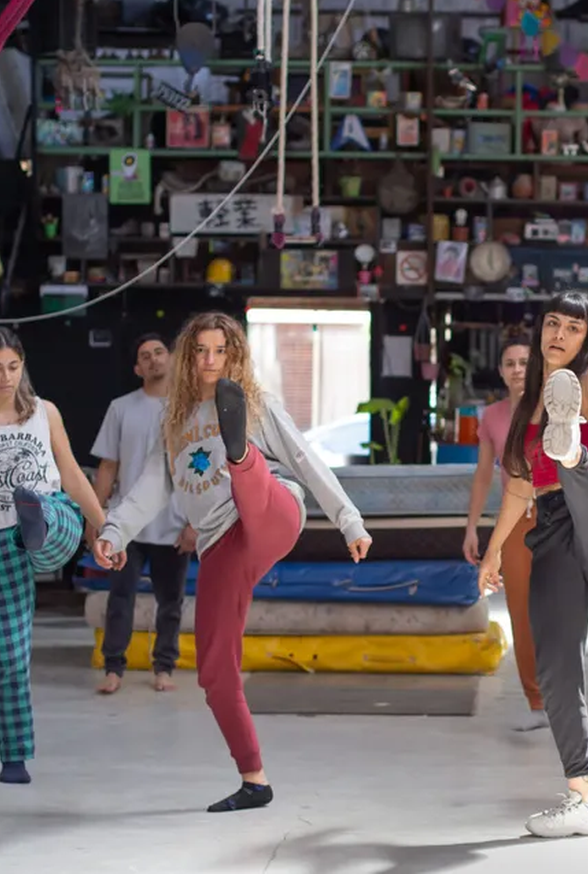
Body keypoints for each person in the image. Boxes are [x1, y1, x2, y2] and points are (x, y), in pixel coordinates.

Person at [95, 312, 373, 814]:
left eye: (219, 351)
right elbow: (148, 491)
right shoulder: (174, 422)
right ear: (187, 357)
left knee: (254, 478)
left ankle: (241, 453)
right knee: (214, 671)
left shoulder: (257, 403)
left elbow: (307, 458)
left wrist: (349, 521)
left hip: (271, 510)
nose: (208, 360)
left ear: (234, 356)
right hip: (222, 543)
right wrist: (114, 532)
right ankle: (254, 779)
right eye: (200, 350)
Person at [477, 287, 588, 838]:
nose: (559, 335)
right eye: (552, 324)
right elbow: (519, 492)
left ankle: (569, 450)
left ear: (586, 339)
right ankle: (585, 799)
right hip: (551, 535)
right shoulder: (527, 412)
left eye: (574, 328)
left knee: (577, 473)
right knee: (554, 668)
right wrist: (494, 550)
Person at [0, 327, 106, 785]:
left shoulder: (45, 413)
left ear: (23, 366)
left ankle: (38, 523)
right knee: (8, 656)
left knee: (46, 508)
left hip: (56, 518)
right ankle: (14, 757)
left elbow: (71, 473)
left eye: (13, 367)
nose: (6, 377)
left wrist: (105, 529)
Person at [94, 332, 191, 695]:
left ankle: (164, 667)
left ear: (171, 357)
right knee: (120, 598)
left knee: (171, 602)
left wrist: (195, 524)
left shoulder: (190, 408)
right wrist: (98, 518)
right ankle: (113, 667)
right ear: (137, 368)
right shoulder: (121, 408)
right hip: (126, 525)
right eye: (144, 356)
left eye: (158, 352)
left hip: (175, 523)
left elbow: (205, 472)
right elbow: (108, 466)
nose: (153, 359)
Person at [459, 329, 544, 731]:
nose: (517, 370)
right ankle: (537, 704)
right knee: (521, 614)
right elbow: (482, 475)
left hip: (555, 515)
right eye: (510, 363)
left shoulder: (551, 407)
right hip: (512, 524)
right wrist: (473, 527)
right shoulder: (491, 416)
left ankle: (566, 700)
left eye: (524, 363)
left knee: (562, 612)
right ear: (500, 370)